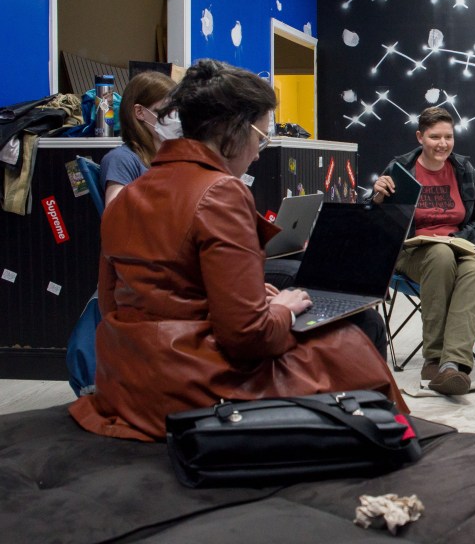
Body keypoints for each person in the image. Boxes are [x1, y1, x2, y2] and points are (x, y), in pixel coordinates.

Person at [69, 59, 405, 441]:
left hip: (128, 380)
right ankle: (384, 442)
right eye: (261, 138)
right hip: (189, 383)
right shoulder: (221, 192)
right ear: (234, 130)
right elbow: (248, 337)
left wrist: (238, 297)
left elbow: (115, 302)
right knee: (353, 341)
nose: (260, 152)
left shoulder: (129, 195)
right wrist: (277, 310)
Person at [372, 107, 475, 397]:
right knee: (439, 255)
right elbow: (378, 219)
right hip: (412, 251)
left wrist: (460, 239)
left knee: (474, 269)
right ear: (420, 137)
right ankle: (434, 357)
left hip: (456, 247)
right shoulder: (400, 169)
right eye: (435, 136)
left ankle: (453, 365)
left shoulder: (463, 170)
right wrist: (377, 195)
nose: (443, 143)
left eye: (448, 136)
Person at [98, 71, 178, 205]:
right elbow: (117, 216)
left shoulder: (171, 158)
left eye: (177, 110)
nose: (175, 118)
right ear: (140, 112)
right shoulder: (122, 159)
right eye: (167, 110)